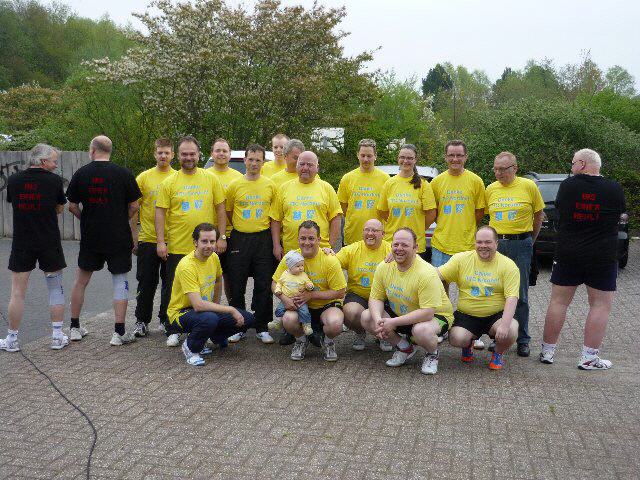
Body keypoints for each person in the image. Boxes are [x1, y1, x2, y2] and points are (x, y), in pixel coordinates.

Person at [540, 149, 626, 370]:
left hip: (568, 253)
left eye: (572, 163)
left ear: (582, 163)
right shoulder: (614, 188)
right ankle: (588, 358)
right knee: (600, 305)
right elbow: (619, 214)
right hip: (602, 256)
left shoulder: (568, 186)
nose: (571, 168)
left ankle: (547, 352)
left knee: (559, 302)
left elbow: (560, 210)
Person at [66, 135, 142, 346]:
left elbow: (72, 206)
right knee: (120, 281)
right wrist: (121, 219)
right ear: (110, 150)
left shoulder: (81, 173)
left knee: (81, 281)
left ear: (92, 150)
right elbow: (135, 206)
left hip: (91, 236)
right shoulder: (124, 173)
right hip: (118, 236)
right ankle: (118, 333)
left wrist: (86, 219)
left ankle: (74, 328)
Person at [155, 136, 227, 347]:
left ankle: (209, 324)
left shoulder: (211, 179)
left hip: (207, 247)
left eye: (192, 154)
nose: (188, 157)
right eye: (184, 154)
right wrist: (161, 242)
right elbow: (160, 213)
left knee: (207, 287)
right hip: (178, 247)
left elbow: (220, 209)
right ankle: (173, 328)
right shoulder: (169, 182)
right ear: (178, 156)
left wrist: (221, 237)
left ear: (199, 155)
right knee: (173, 290)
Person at [1, 144, 69, 352]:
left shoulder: (14, 180)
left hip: (22, 242)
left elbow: (14, 202)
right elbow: (59, 207)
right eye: (54, 161)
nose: (56, 165)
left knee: (17, 292)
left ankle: (12, 339)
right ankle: (57, 337)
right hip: (49, 241)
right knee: (55, 288)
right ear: (43, 161)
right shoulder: (55, 181)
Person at [360, 228, 454, 375]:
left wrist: (393, 323)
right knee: (367, 317)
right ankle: (404, 347)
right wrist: (379, 320)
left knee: (421, 331)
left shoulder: (426, 272)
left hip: (435, 316)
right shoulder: (384, 266)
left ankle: (432, 354)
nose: (399, 248)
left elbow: (427, 313)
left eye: (405, 245)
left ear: (415, 248)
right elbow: (376, 298)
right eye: (396, 244)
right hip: (402, 313)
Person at [166, 223, 254, 366]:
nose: (209, 246)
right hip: (181, 313)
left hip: (203, 310)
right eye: (204, 241)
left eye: (212, 241)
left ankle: (213, 336)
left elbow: (218, 281)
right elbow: (198, 305)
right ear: (195, 242)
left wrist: (216, 305)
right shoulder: (187, 266)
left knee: (247, 318)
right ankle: (191, 348)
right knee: (209, 318)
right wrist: (230, 309)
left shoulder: (214, 257)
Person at [485, 151, 544, 357]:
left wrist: (529, 241)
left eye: (503, 169)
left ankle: (523, 339)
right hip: (497, 245)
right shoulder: (490, 189)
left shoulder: (528, 186)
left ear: (515, 168)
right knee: (497, 292)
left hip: (521, 244)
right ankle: (498, 336)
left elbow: (538, 216)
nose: (498, 173)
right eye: (495, 169)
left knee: (520, 294)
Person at [438, 226, 520, 370]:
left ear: (496, 243)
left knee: (511, 329)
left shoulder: (508, 265)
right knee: (456, 338)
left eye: (488, 242)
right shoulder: (461, 259)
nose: (483, 246)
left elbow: (512, 298)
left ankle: (498, 353)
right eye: (479, 242)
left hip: (496, 316)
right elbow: (437, 275)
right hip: (467, 314)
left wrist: (505, 325)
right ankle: (468, 344)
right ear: (474, 243)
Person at [429, 139, 486, 348]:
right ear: (445, 157)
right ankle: (442, 327)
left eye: (459, 155)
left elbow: (479, 213)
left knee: (470, 291)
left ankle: (473, 331)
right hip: (441, 244)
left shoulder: (476, 181)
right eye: (451, 155)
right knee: (439, 290)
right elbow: (433, 212)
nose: (455, 159)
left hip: (467, 246)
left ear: (465, 157)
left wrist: (465, 228)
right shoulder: (437, 182)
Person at [224, 144, 278, 344]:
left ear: (263, 162)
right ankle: (239, 326)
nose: (254, 163)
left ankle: (262, 326)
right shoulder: (234, 185)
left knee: (263, 283)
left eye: (258, 160)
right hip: (239, 238)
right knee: (237, 283)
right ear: (244, 160)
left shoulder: (270, 185)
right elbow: (229, 211)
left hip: (263, 239)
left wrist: (274, 243)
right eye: (251, 159)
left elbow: (274, 217)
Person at [272, 221, 346, 362]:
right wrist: (284, 299)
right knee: (288, 319)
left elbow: (340, 292)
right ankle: (301, 340)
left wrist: (311, 295)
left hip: (326, 306)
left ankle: (328, 342)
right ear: (298, 239)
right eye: (303, 238)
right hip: (299, 306)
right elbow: (274, 283)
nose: (307, 242)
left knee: (335, 323)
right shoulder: (290, 258)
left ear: (319, 239)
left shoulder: (330, 260)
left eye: (311, 238)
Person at [130, 138, 177, 337]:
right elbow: (134, 209)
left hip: (173, 240)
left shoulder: (178, 178)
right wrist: (134, 237)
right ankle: (141, 321)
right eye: (160, 152)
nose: (163, 156)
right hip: (148, 239)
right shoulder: (143, 178)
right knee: (146, 282)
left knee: (170, 283)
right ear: (154, 154)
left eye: (167, 152)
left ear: (173, 155)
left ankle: (165, 320)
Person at [270, 150, 342, 259]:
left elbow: (335, 218)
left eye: (309, 165)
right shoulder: (284, 188)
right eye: (302, 164)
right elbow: (276, 219)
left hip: (320, 252)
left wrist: (330, 245)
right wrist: (276, 245)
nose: (305, 168)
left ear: (317, 168)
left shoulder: (326, 188)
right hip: (291, 253)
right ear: (297, 166)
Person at [334, 218, 393, 352]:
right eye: (367, 230)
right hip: (358, 295)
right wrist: (326, 252)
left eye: (375, 230)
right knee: (351, 312)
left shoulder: (391, 250)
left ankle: (384, 335)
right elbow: (331, 264)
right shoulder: (352, 249)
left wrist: (398, 257)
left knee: (395, 311)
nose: (370, 233)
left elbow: (413, 261)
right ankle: (360, 332)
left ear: (383, 234)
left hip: (384, 297)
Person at [377, 144, 436, 261]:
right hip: (392, 243)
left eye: (409, 158)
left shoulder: (423, 185)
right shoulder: (389, 183)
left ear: (415, 160)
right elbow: (382, 211)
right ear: (398, 158)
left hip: (415, 244)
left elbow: (431, 214)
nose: (405, 161)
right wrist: (395, 222)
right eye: (402, 157)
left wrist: (419, 228)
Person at [204, 138, 242, 302]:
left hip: (231, 234)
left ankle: (232, 308)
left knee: (230, 276)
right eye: (217, 150)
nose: (221, 154)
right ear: (212, 154)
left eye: (224, 151)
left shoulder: (238, 177)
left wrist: (223, 237)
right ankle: (212, 308)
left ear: (230, 154)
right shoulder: (204, 175)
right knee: (209, 276)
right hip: (207, 235)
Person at [337, 139, 390, 246]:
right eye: (363, 155)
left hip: (377, 238)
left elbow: (388, 208)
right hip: (353, 236)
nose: (366, 159)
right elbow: (342, 206)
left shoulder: (385, 179)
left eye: (369, 156)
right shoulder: (347, 178)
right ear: (358, 155)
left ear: (375, 156)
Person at [269, 250, 315, 336]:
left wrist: (309, 286)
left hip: (300, 299)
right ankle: (278, 321)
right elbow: (279, 283)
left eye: (302, 265)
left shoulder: (303, 275)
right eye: (298, 266)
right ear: (290, 267)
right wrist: (278, 290)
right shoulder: (285, 274)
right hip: (287, 298)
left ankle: (306, 325)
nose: (301, 268)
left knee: (304, 311)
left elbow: (308, 282)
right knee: (280, 309)